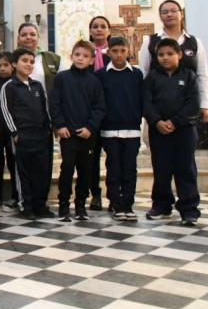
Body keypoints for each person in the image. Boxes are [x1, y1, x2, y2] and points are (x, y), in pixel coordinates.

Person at [143, 38, 201, 226]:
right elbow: (146, 102)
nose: (165, 58)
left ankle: (189, 209)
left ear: (179, 54)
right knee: (161, 169)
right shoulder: (152, 77)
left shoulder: (189, 76)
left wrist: (175, 122)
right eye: (161, 55)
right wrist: (157, 121)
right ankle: (161, 205)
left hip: (184, 131)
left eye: (169, 54)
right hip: (158, 131)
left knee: (186, 169)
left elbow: (193, 103)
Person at [50, 40, 106, 222]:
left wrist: (90, 127)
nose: (81, 58)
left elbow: (99, 108)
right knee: (67, 168)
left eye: (85, 56)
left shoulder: (94, 82)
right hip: (68, 133)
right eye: (77, 55)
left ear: (92, 60)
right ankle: (64, 205)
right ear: (71, 56)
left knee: (86, 170)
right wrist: (60, 125)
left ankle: (81, 205)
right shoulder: (61, 78)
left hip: (87, 134)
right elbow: (55, 103)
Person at [0, 48, 54, 219]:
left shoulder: (37, 86)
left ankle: (40, 205)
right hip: (22, 136)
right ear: (14, 64)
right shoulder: (9, 86)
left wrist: (48, 128)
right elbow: (6, 111)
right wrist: (15, 133)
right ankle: (26, 205)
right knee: (23, 172)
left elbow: (44, 109)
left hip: (41, 136)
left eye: (31, 62)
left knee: (41, 172)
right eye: (24, 61)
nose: (29, 64)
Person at [138, 0, 208, 126]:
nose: (169, 14)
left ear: (181, 14)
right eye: (165, 12)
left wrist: (204, 105)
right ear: (160, 16)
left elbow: (202, 74)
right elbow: (143, 73)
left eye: (173, 11)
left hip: (187, 108)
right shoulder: (150, 41)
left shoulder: (194, 42)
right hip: (158, 109)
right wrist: (146, 108)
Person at [96, 36, 144, 222]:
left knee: (129, 169)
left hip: (132, 130)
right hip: (109, 131)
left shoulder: (136, 75)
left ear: (128, 52)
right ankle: (116, 203)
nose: (118, 55)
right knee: (113, 168)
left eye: (122, 51)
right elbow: (99, 101)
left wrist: (136, 116)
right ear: (108, 53)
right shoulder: (101, 75)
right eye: (114, 51)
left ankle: (128, 204)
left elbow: (141, 99)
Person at [87, 15, 112, 211]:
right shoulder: (85, 54)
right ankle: (95, 194)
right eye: (95, 26)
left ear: (109, 31)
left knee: (113, 156)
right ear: (90, 31)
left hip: (111, 113)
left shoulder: (115, 53)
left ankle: (114, 195)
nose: (99, 29)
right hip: (90, 113)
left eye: (103, 26)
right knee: (92, 158)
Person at [0, 51, 18, 212]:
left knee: (14, 163)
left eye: (5, 65)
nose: (2, 68)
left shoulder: (15, 84)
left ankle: (15, 195)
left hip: (12, 129)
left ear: (13, 65)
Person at [17, 22, 61, 95]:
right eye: (24, 35)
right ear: (18, 39)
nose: (28, 37)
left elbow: (65, 84)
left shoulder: (54, 59)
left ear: (38, 37)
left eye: (32, 34)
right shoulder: (10, 59)